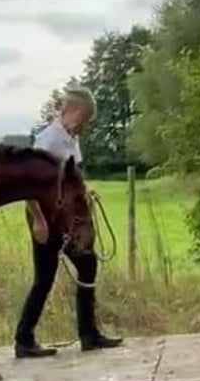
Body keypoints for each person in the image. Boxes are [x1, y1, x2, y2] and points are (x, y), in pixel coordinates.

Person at [14, 85, 123, 358]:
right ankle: (24, 340)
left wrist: (84, 193)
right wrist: (39, 221)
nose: (84, 126)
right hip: (46, 218)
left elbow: (74, 176)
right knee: (45, 277)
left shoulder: (71, 138)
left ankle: (89, 335)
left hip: (67, 217)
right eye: (83, 119)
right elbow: (28, 185)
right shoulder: (47, 141)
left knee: (88, 264)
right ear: (71, 111)